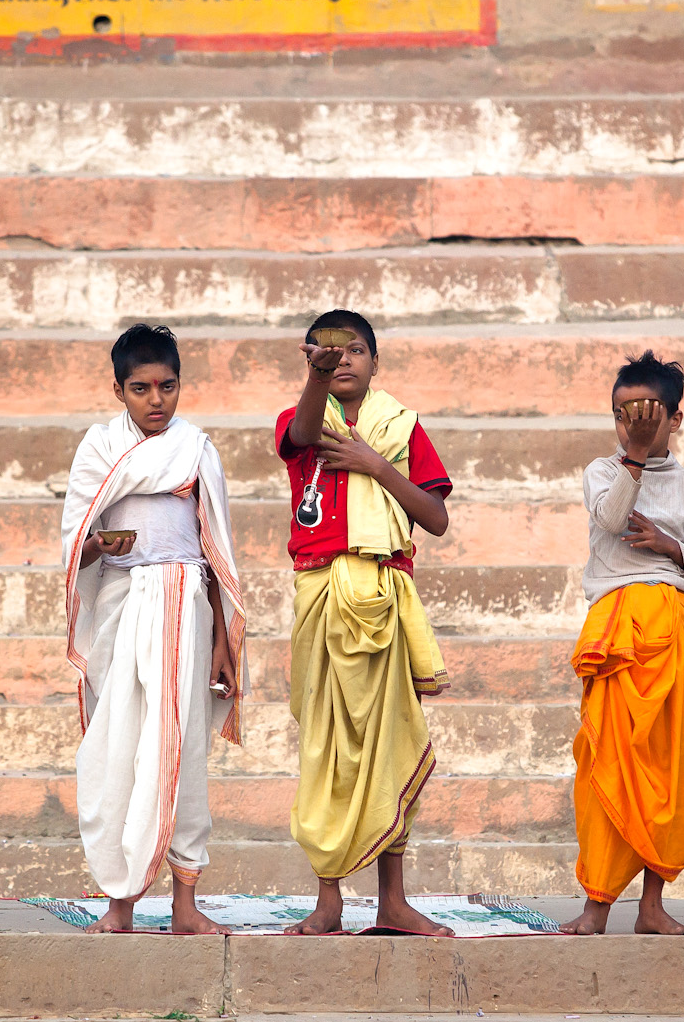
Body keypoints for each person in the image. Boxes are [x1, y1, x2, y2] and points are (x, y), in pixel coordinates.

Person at [61, 324, 247, 935]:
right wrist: (98, 544)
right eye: (140, 388)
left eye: (167, 387)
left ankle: (186, 905)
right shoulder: (98, 449)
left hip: (186, 611)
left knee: (182, 750)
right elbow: (75, 549)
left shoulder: (196, 449)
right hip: (120, 607)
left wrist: (224, 641)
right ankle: (119, 906)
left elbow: (215, 552)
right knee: (119, 750)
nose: (156, 401)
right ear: (118, 389)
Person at [277, 310, 455, 936]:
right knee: (326, 748)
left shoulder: (401, 426)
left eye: (356, 350)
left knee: (390, 744)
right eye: (331, 351)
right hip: (325, 594)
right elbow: (301, 430)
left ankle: (392, 901)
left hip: (383, 594)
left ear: (377, 362)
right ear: (311, 358)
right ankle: (328, 900)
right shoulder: (302, 419)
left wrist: (375, 464)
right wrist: (315, 381)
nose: (344, 359)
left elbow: (434, 517)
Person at [560, 353, 684, 936]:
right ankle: (597, 904)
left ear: (675, 420)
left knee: (673, 769)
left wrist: (669, 546)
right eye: (622, 414)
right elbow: (609, 521)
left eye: (647, 413)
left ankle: (652, 905)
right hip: (618, 632)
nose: (633, 422)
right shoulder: (602, 472)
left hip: (674, 629)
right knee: (607, 760)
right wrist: (633, 456)